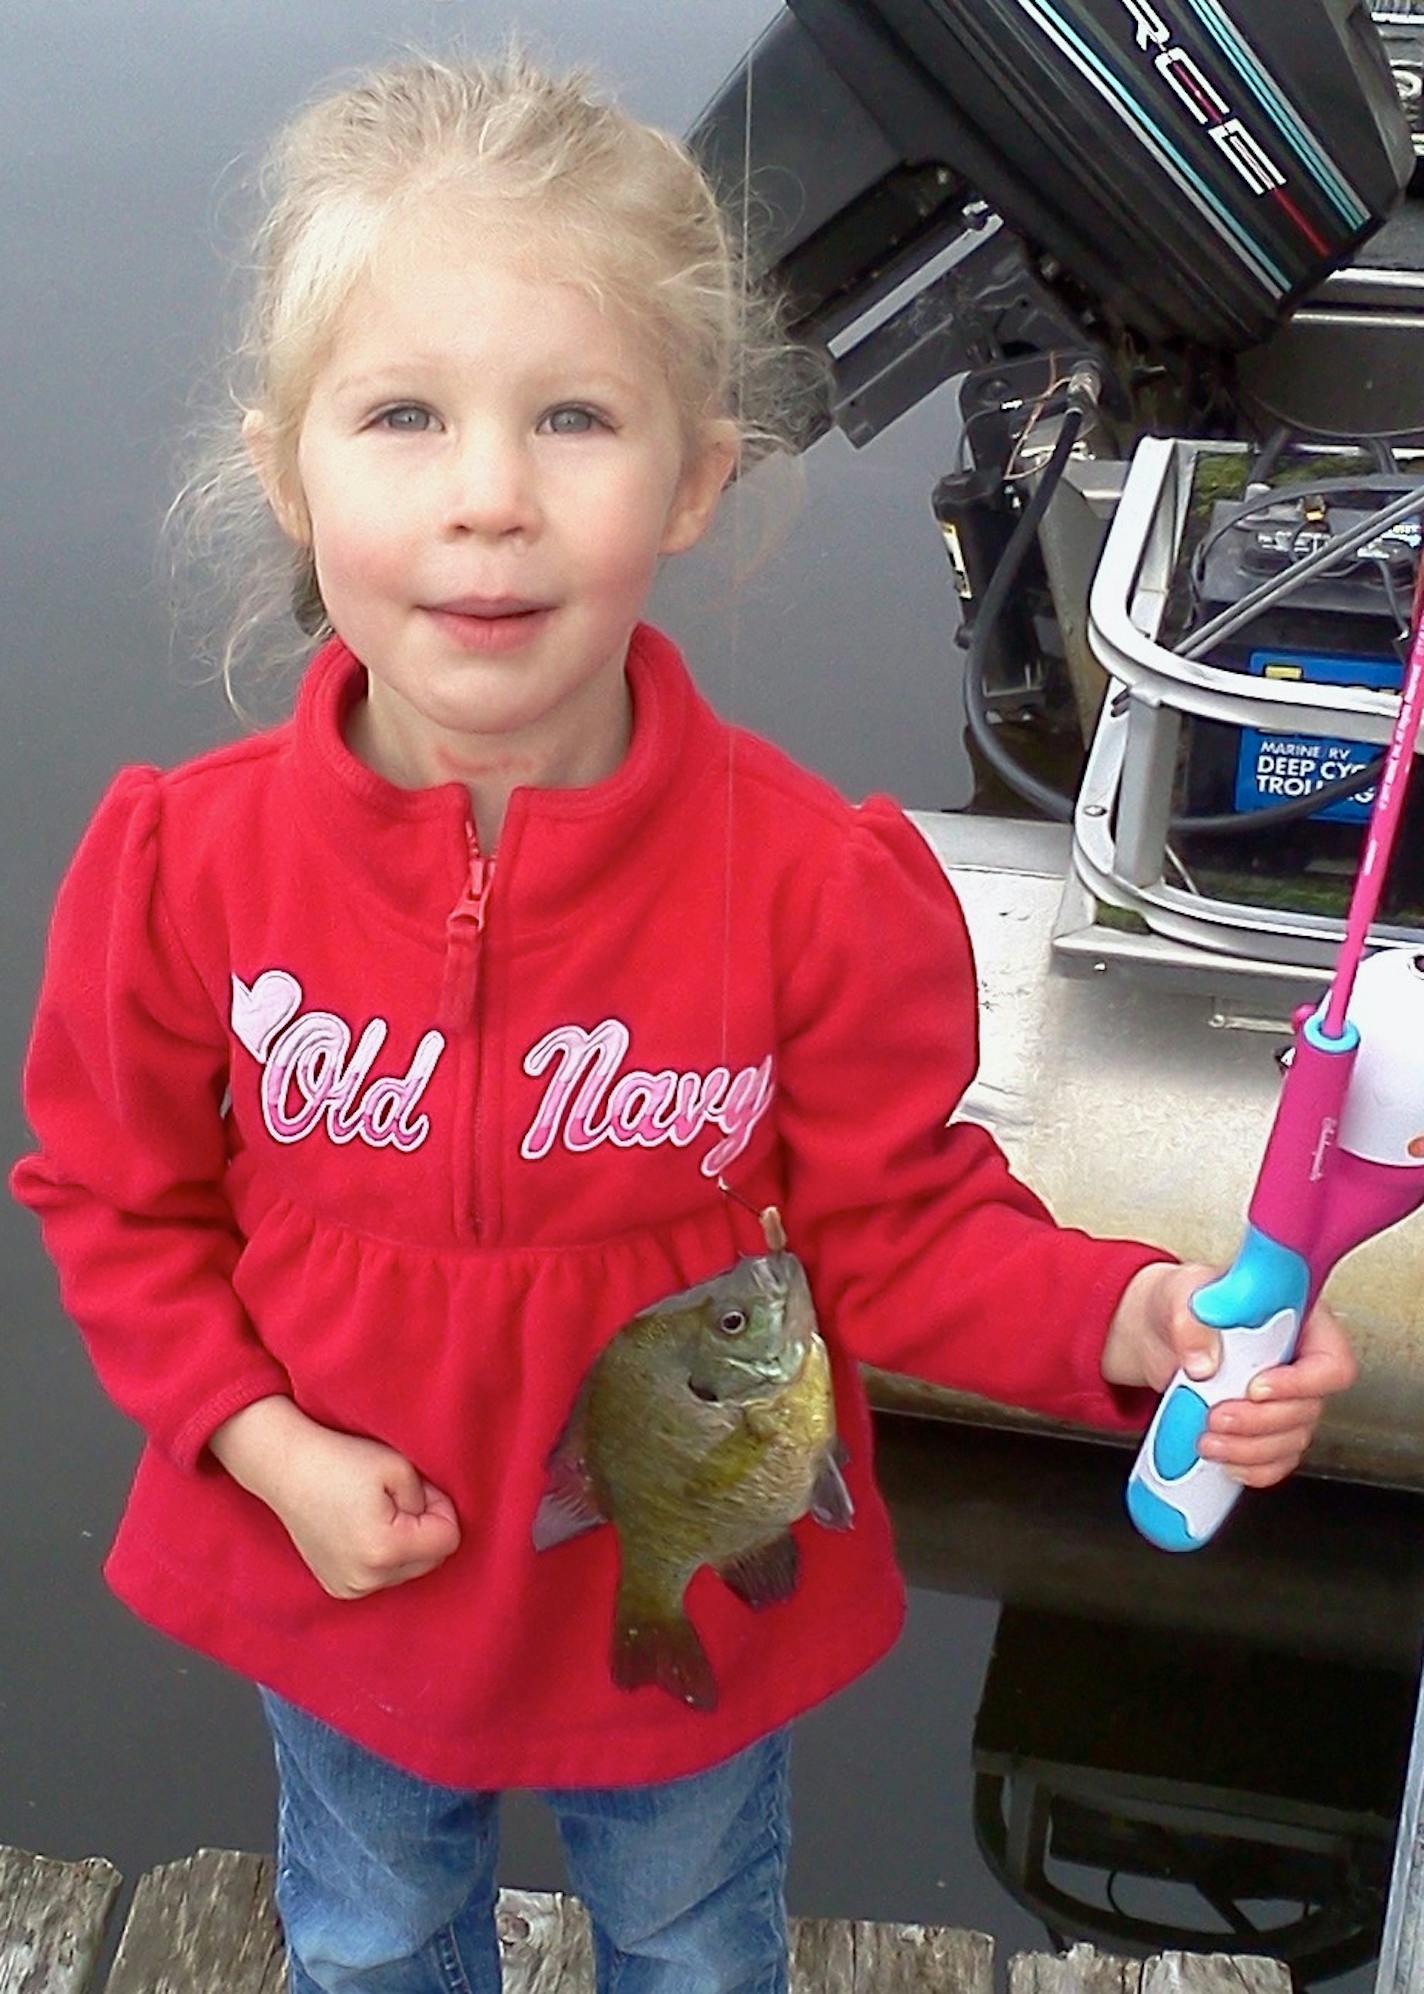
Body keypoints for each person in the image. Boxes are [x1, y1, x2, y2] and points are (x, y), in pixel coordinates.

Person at [11, 46, 1356, 1994]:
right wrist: (263, 1444)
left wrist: (1133, 1321)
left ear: (697, 472)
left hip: (695, 1562)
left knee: (696, 1941)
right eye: (402, 415)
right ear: (288, 470)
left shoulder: (812, 885)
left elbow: (896, 1236)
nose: (489, 499)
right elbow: (113, 1206)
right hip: (349, 1571)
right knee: (369, 1929)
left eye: (573, 416)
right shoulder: (175, 870)